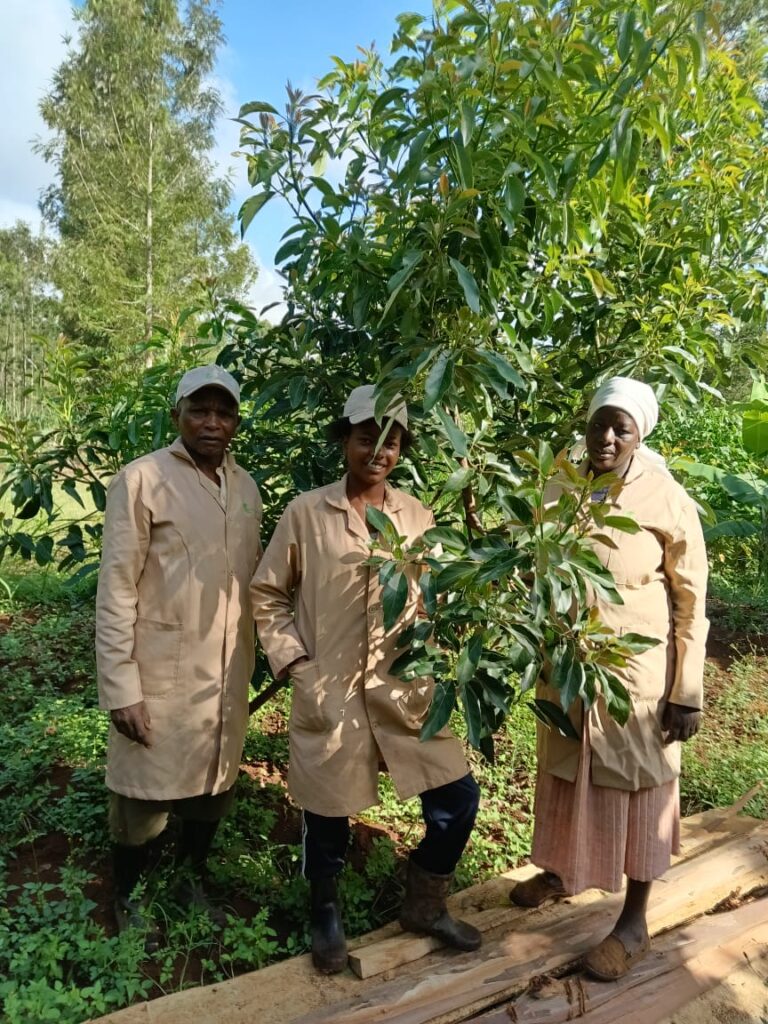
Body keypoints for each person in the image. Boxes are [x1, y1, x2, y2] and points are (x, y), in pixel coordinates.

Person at [250, 384, 482, 974]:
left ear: (400, 450)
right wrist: (296, 665)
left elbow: (431, 597)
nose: (376, 450)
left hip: (404, 690)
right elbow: (268, 595)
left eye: (390, 440)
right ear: (345, 442)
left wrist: (439, 657)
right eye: (364, 437)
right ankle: (324, 910)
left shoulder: (416, 515)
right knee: (326, 810)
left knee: (457, 797)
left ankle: (425, 903)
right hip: (331, 691)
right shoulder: (307, 513)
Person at [511, 377, 709, 982]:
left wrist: (687, 691)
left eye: (620, 427)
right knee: (571, 771)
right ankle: (562, 871)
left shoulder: (666, 497)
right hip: (570, 668)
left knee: (640, 786)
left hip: (635, 675)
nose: (606, 437)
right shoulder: (562, 480)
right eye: (599, 423)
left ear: (639, 433)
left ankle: (634, 923)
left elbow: (691, 598)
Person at [96, 364, 262, 948]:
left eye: (224, 412)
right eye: (199, 410)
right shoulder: (141, 480)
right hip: (158, 670)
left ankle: (191, 878)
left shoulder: (246, 489)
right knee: (143, 797)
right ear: (177, 415)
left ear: (236, 422)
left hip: (223, 675)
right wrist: (121, 687)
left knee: (212, 789)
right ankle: (129, 895)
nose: (212, 422)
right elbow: (116, 588)